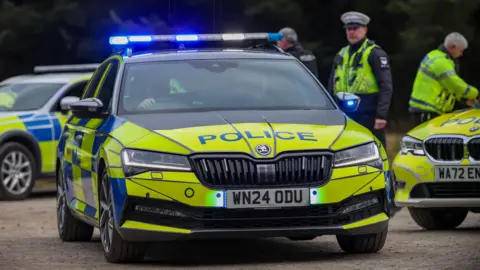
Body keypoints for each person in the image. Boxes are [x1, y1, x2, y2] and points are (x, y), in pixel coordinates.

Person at [327, 11, 393, 148]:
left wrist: (381, 115)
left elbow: (386, 86)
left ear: (365, 30)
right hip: (344, 111)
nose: (352, 32)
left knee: (376, 149)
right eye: (349, 29)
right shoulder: (341, 53)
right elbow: (331, 84)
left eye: (355, 29)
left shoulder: (374, 53)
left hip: (368, 111)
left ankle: (384, 171)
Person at [408, 32, 479, 127]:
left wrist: (464, 99)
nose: (461, 54)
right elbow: (455, 85)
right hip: (427, 110)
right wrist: (476, 94)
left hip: (425, 109)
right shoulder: (441, 61)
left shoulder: (435, 56)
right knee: (428, 140)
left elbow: (448, 86)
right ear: (452, 47)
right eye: (460, 50)